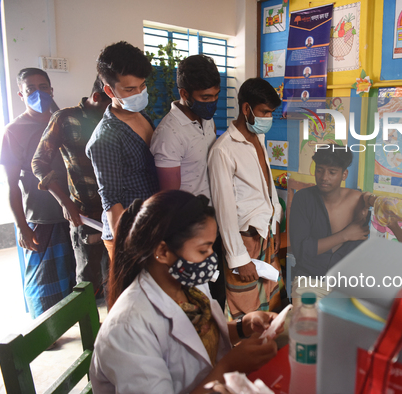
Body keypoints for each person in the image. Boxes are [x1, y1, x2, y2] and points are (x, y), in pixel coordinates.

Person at [89, 190, 280, 394]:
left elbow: (199, 334)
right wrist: (229, 366)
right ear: (163, 252)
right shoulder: (128, 328)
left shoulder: (186, 285)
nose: (210, 258)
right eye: (202, 250)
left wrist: (244, 326)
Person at [150, 54, 225, 308]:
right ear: (184, 93)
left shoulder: (207, 119)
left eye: (216, 95)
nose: (212, 102)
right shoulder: (169, 134)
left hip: (211, 220)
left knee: (216, 296)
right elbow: (170, 198)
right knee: (194, 301)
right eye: (205, 97)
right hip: (188, 230)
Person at [0, 68, 75, 318]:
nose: (38, 93)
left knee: (80, 281)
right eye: (31, 89)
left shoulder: (66, 120)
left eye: (43, 87)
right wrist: (21, 225)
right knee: (44, 288)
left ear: (51, 90)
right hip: (43, 216)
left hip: (77, 213)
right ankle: (46, 333)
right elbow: (12, 184)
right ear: (21, 94)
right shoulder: (14, 131)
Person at [208, 78, 283, 319]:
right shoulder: (223, 150)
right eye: (264, 112)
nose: (268, 118)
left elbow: (267, 186)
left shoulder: (258, 138)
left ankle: (269, 355)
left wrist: (277, 220)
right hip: (245, 241)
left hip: (267, 234)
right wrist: (239, 259)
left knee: (271, 304)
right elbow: (225, 211)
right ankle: (246, 355)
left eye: (271, 112)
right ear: (246, 109)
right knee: (247, 312)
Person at [32, 76, 112, 298]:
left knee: (115, 279)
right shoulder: (65, 118)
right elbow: (38, 163)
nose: (113, 110)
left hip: (115, 213)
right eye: (110, 103)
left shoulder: (116, 119)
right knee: (87, 281)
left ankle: (114, 331)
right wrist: (65, 202)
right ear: (97, 97)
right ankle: (90, 331)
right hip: (85, 216)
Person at [86, 41, 159, 261]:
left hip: (152, 226)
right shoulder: (106, 137)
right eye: (129, 89)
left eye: (142, 86)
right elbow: (111, 200)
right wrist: (128, 250)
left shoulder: (143, 116)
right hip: (128, 236)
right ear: (109, 90)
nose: (138, 93)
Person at [289, 145, 369, 301]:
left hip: (347, 283)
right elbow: (301, 250)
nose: (324, 177)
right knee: (305, 321)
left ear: (344, 174)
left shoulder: (358, 200)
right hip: (310, 279)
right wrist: (345, 235)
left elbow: (361, 250)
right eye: (319, 170)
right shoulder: (303, 199)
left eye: (332, 172)